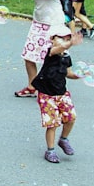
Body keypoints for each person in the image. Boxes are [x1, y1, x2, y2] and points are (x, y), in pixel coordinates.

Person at [15, 0, 74, 98]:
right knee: (28, 56)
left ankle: (56, 87)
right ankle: (32, 86)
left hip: (54, 23)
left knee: (55, 57)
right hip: (38, 23)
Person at [32, 32, 81, 162]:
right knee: (52, 124)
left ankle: (63, 139)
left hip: (62, 93)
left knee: (71, 118)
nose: (64, 41)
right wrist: (70, 43)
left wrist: (78, 75)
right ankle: (50, 151)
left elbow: (68, 73)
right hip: (46, 95)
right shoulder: (51, 52)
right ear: (52, 39)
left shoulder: (66, 57)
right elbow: (61, 47)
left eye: (67, 38)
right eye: (61, 38)